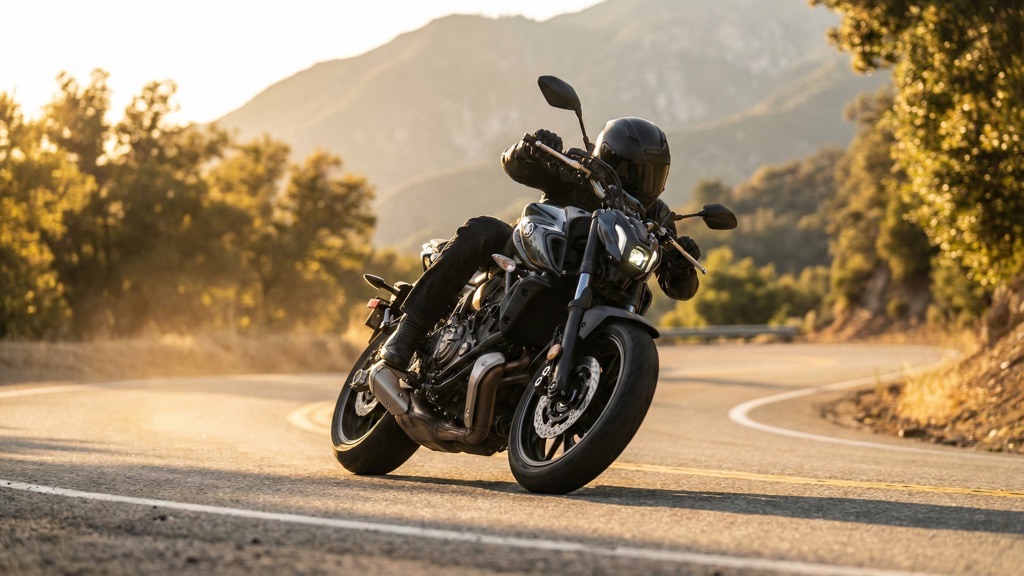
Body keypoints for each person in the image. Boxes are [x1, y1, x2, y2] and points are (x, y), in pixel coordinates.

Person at [381, 117, 701, 371]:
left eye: (653, 174)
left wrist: (681, 265)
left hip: (598, 290)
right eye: (634, 171)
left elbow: (678, 290)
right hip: (534, 255)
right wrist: (530, 149)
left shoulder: (657, 217)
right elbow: (515, 167)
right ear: (609, 158)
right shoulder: (580, 173)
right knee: (482, 230)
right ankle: (410, 329)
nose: (643, 182)